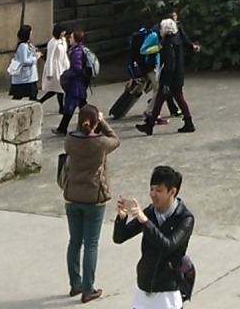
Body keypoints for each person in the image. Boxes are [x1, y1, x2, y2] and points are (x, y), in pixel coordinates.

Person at [113, 164, 195, 309]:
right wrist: (121, 218)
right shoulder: (150, 212)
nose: (153, 194)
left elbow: (168, 246)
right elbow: (119, 238)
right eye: (151, 189)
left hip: (167, 294)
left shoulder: (184, 219)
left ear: (172, 191)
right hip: (144, 290)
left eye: (158, 190)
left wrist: (145, 222)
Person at [63, 103, 119, 303]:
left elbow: (77, 136)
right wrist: (102, 122)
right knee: (91, 244)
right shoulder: (101, 143)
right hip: (94, 197)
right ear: (95, 123)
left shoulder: (70, 140)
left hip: (72, 196)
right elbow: (115, 140)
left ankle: (75, 284)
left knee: (74, 241)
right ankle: (88, 289)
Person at [136, 19, 195, 135]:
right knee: (174, 98)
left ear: (166, 30)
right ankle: (188, 122)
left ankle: (150, 125)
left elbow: (169, 64)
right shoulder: (175, 37)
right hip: (178, 74)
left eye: (162, 28)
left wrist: (166, 83)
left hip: (170, 77)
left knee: (162, 99)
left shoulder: (168, 43)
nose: (160, 30)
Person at [55, 29, 90, 136]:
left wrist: (67, 75)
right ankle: (94, 125)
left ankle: (62, 128)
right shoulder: (80, 49)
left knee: (71, 106)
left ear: (75, 39)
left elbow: (77, 68)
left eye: (71, 37)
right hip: (79, 83)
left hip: (76, 84)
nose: (69, 39)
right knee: (82, 105)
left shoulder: (77, 52)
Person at [39, 23, 69, 113]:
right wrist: (49, 72)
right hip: (55, 66)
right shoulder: (53, 42)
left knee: (59, 88)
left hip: (62, 65)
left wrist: (67, 65)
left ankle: (60, 106)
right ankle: (42, 101)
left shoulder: (63, 40)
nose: (64, 33)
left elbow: (64, 54)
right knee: (58, 87)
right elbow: (50, 57)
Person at [8, 25, 42, 100]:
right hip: (25, 77)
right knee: (20, 96)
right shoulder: (23, 46)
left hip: (30, 76)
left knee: (30, 95)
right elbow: (24, 61)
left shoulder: (28, 44)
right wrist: (35, 58)